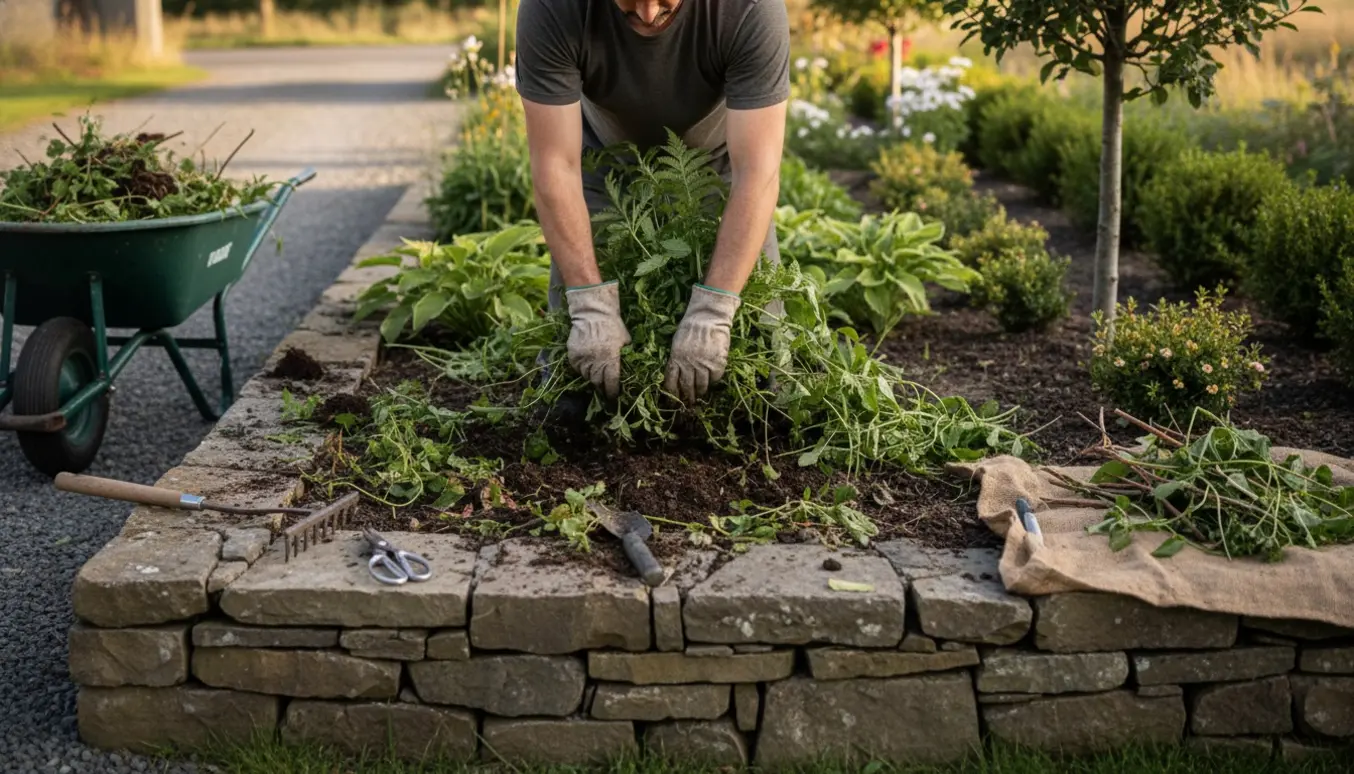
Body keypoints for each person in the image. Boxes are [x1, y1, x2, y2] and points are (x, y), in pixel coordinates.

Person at [513, 0, 790, 405]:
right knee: (570, 385)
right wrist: (590, 302)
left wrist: (714, 308)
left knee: (766, 374)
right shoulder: (552, 7)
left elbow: (757, 173)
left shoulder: (750, 8)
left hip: (716, 169)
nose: (646, 14)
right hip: (601, 168)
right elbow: (556, 164)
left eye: (663, 0)